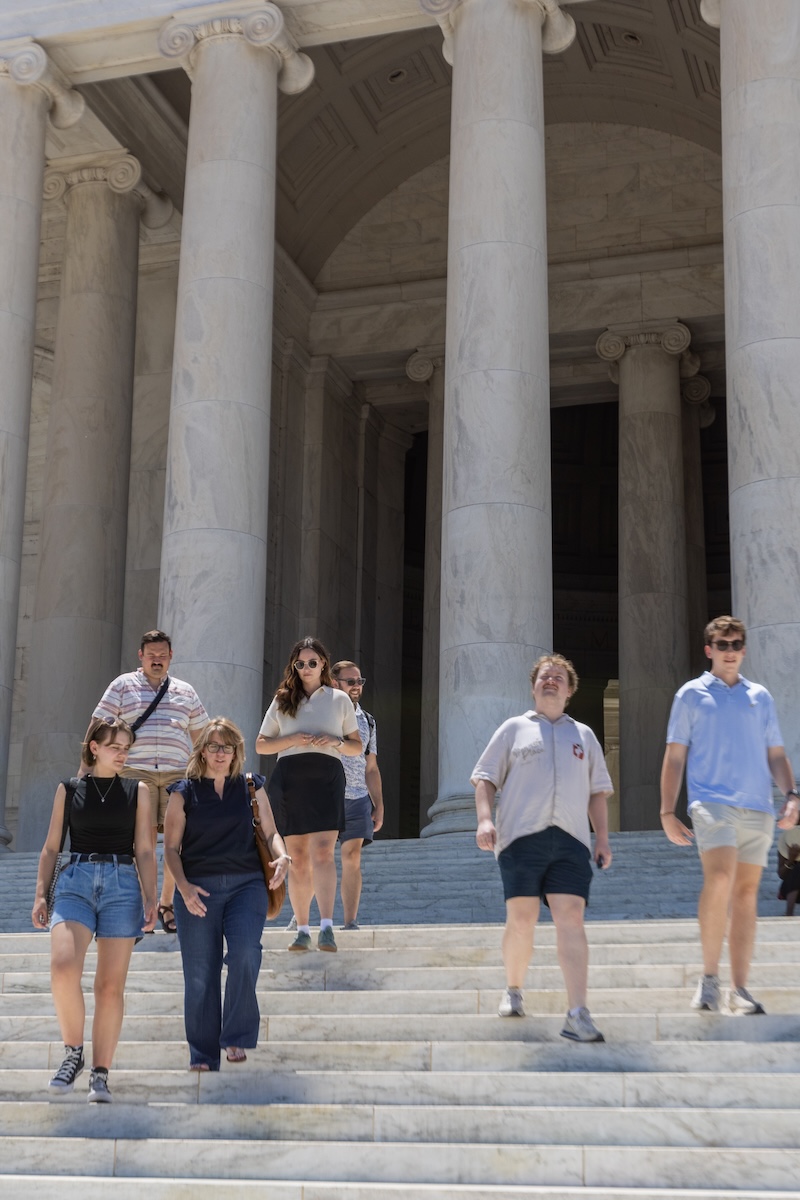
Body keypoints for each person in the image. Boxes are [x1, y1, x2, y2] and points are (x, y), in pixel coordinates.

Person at [660, 615, 800, 1014]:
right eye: (722, 645)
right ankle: (708, 979)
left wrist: (791, 795)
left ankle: (738, 989)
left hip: (757, 805)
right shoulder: (690, 694)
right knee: (720, 878)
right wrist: (667, 810)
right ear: (709, 650)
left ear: (743, 649)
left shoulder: (761, 696)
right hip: (711, 802)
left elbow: (776, 754)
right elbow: (674, 756)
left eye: (736, 644)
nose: (730, 651)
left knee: (745, 895)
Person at [472, 654, 613, 1042]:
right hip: (521, 837)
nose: (551, 681)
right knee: (522, 919)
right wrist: (485, 819)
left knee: (572, 919)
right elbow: (484, 778)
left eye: (559, 677)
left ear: (570, 690)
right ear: (534, 687)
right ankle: (514, 989)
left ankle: (578, 1013)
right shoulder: (513, 728)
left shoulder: (583, 735)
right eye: (545, 677)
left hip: (570, 840)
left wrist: (601, 836)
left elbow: (598, 791)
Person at [31, 717, 156, 1102]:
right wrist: (39, 894)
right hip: (76, 882)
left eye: (126, 746)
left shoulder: (140, 791)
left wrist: (153, 898)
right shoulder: (69, 790)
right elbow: (52, 846)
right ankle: (74, 1053)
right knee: (63, 968)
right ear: (94, 748)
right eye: (115, 745)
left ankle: (100, 1073)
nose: (122, 752)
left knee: (109, 986)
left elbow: (146, 850)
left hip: (122, 885)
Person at [163, 718, 290, 1071]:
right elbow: (171, 849)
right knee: (200, 974)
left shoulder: (251, 786)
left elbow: (270, 832)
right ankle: (203, 1053)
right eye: (214, 746)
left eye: (227, 747)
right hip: (197, 890)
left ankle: (236, 1035)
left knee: (245, 954)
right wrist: (183, 888)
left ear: (237, 751)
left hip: (246, 886)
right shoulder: (182, 792)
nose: (221, 754)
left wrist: (282, 856)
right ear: (202, 751)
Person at [92, 629, 209, 933]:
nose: (157, 660)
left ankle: (166, 904)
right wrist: (88, 770)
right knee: (138, 844)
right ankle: (142, 905)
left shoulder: (186, 691)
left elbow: (202, 738)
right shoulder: (122, 685)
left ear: (171, 656)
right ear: (140, 656)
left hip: (177, 774)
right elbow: (97, 727)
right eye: (151, 655)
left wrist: (208, 777)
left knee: (179, 842)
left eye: (162, 655)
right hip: (134, 772)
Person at [256, 637, 362, 953]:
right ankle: (302, 929)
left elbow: (357, 747)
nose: (305, 669)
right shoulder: (281, 699)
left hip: (327, 777)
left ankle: (327, 927)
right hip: (289, 779)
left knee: (323, 853)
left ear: (323, 665)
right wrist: (289, 740)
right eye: (299, 664)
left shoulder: (340, 700)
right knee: (298, 857)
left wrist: (335, 741)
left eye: (311, 663)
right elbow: (262, 744)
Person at [331, 660, 384, 929]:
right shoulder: (323, 715)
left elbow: (371, 768)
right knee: (319, 858)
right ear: (334, 682)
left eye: (359, 681)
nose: (356, 687)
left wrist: (379, 805)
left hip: (358, 799)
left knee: (352, 858)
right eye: (350, 681)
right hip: (326, 797)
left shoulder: (369, 722)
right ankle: (305, 915)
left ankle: (350, 921)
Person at [776, 825, 800, 916]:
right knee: (798, 869)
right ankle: (789, 913)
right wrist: (790, 860)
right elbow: (781, 875)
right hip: (790, 889)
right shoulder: (784, 849)